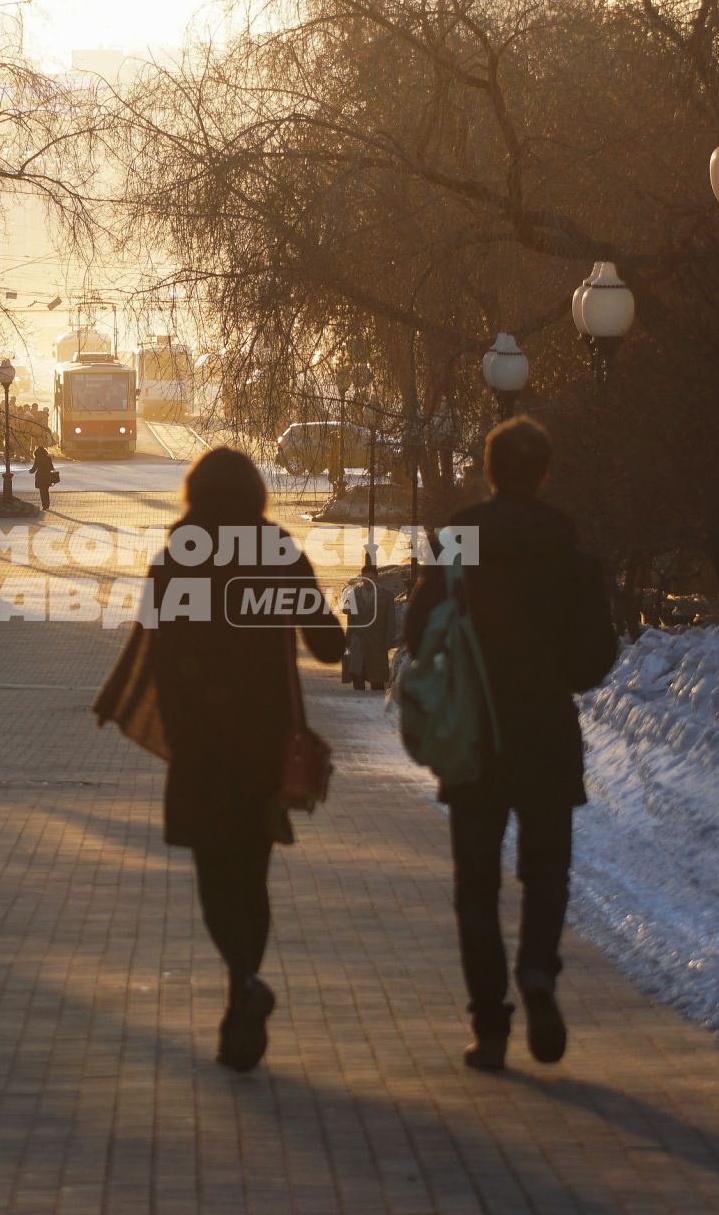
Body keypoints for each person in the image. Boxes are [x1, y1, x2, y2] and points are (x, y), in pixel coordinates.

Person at [94, 448, 344, 1072]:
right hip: (264, 744)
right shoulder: (278, 550)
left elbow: (153, 648)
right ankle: (243, 993)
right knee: (251, 876)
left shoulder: (177, 556)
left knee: (214, 878)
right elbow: (330, 645)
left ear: (194, 494)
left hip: (202, 745)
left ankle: (245, 986)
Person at [403, 416, 616, 1072]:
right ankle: (538, 974)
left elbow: (417, 631)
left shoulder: (460, 538)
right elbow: (593, 657)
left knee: (477, 886)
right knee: (546, 872)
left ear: (488, 471)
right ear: (545, 473)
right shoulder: (569, 549)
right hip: (548, 734)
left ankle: (490, 1028)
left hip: (476, 734)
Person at [340, 556, 393, 691]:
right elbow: (350, 619)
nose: (368, 581)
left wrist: (388, 641)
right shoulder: (354, 594)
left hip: (377, 640)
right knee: (357, 670)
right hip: (358, 638)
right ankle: (359, 695)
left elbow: (390, 620)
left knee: (377, 677)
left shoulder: (386, 596)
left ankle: (375, 700)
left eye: (371, 578)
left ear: (376, 579)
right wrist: (348, 639)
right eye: (365, 578)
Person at [30, 443, 57, 511]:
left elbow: (34, 469)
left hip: (40, 477)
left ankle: (44, 505)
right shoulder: (48, 458)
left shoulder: (37, 459)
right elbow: (51, 468)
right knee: (46, 491)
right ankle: (47, 504)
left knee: (42, 492)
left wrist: (30, 471)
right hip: (47, 476)